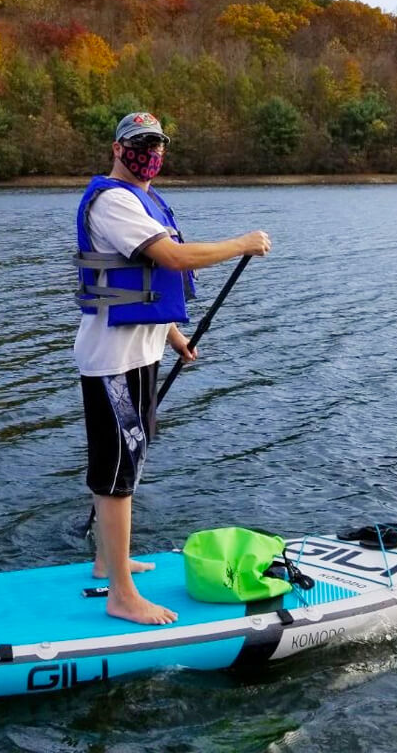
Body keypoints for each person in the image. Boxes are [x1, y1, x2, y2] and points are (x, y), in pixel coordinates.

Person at [73, 111, 271, 625]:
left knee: (130, 461)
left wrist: (175, 336)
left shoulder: (145, 199)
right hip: (111, 361)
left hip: (141, 353)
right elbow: (172, 259)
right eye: (138, 143)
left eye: (156, 144)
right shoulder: (114, 201)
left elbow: (144, 289)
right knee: (116, 472)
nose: (148, 153)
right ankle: (121, 594)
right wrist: (241, 244)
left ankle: (106, 560)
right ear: (117, 148)